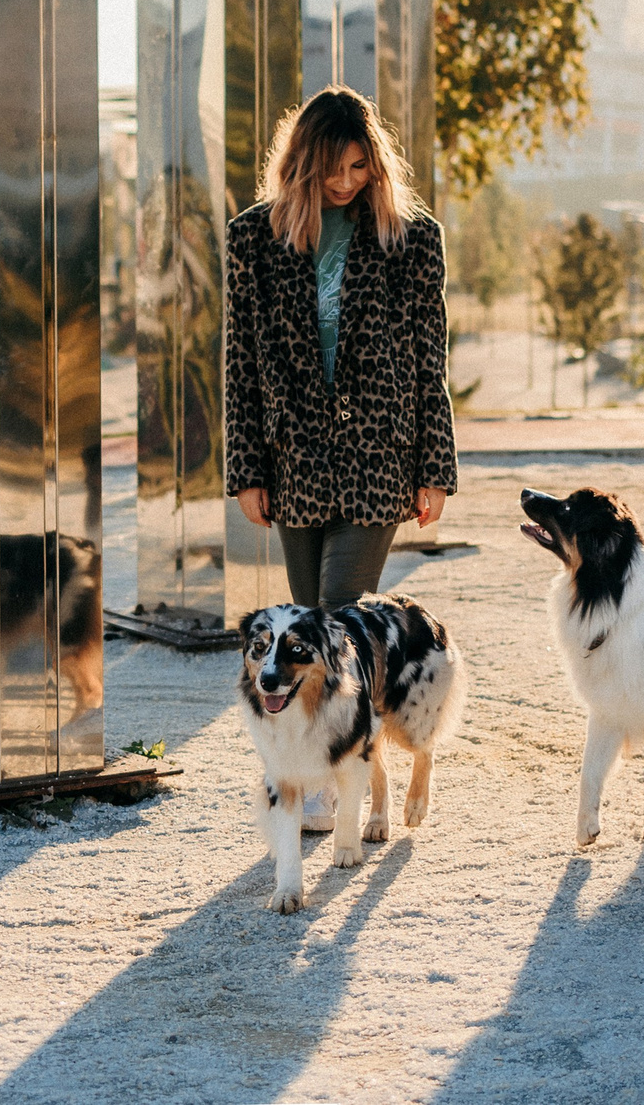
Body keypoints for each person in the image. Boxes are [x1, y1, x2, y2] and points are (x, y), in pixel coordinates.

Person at [225, 89, 459, 811]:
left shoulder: (411, 238)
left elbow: (429, 355)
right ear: (301, 163)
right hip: (291, 457)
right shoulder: (252, 240)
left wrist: (435, 467)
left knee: (334, 614)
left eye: (360, 165)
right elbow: (240, 359)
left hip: (379, 456)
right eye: (333, 167)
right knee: (305, 626)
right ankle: (331, 764)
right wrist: (245, 468)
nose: (348, 180)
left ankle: (327, 782)